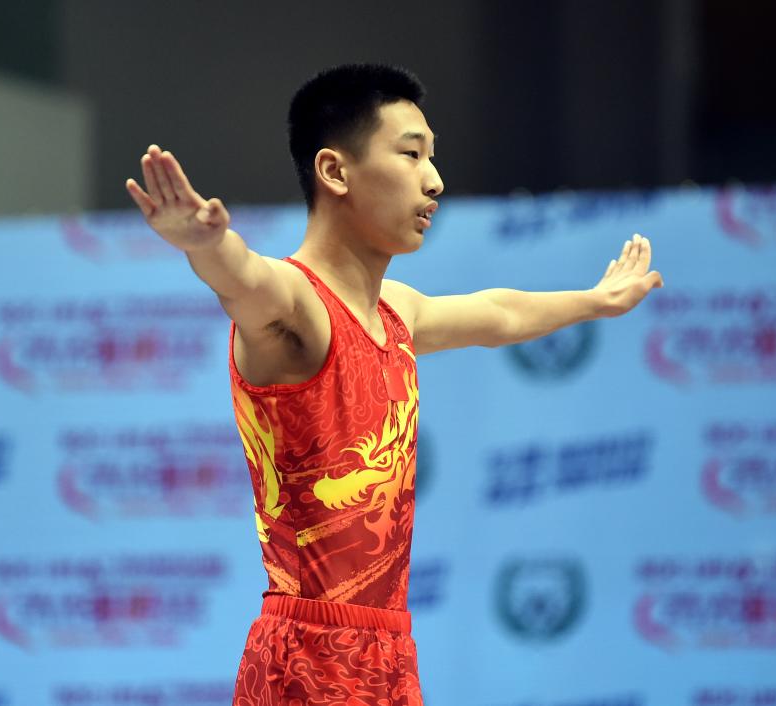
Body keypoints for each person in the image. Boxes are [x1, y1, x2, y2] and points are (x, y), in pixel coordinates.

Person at [126, 64, 662, 706]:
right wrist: (204, 247)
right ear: (334, 171)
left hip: (389, 652)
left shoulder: (396, 313)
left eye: (432, 157)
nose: (434, 180)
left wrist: (596, 300)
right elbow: (244, 279)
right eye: (411, 154)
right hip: (306, 658)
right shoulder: (299, 308)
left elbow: (499, 314)